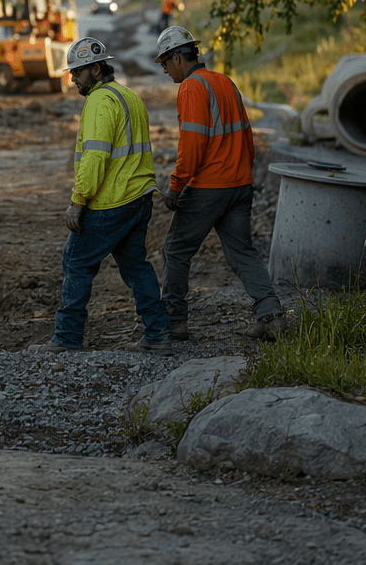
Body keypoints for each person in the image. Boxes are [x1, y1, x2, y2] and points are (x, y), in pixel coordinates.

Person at [39, 36, 172, 355]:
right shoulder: (129, 96)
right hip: (139, 199)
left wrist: (78, 201)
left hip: (111, 202)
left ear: (96, 69)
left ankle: (68, 337)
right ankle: (158, 333)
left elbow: (95, 158)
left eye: (78, 72)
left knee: (76, 261)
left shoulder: (99, 102)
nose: (72, 79)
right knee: (136, 266)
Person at [155, 26, 289, 341]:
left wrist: (176, 187)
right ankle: (272, 314)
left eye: (164, 63)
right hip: (239, 184)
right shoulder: (224, 82)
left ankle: (174, 323)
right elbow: (247, 135)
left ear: (178, 58)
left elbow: (191, 146)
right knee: (242, 251)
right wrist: (244, 173)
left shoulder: (190, 87)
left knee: (175, 250)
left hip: (208, 187)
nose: (163, 70)